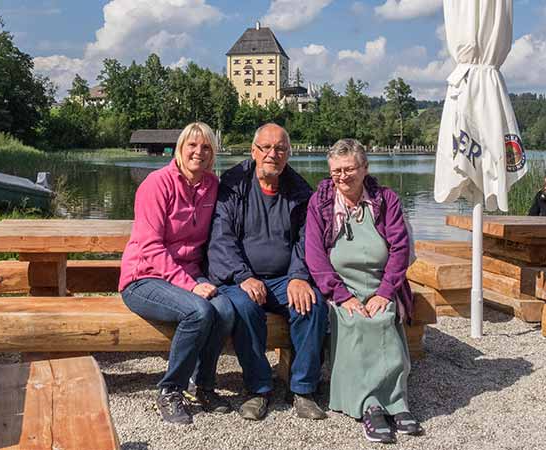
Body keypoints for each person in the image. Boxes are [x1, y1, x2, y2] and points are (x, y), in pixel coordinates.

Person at [207, 123, 329, 421]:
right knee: (245, 307)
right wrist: (243, 276)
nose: (272, 154)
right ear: (254, 151)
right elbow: (222, 238)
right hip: (239, 276)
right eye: (265, 147)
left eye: (280, 148)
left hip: (285, 277)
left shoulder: (300, 191)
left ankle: (302, 389)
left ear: (288, 153)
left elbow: (307, 240)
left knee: (312, 305)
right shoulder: (233, 183)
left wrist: (299, 275)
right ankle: (258, 389)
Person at [305, 139, 423, 444]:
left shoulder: (386, 200)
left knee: (383, 316)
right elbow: (315, 256)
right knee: (355, 320)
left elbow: (399, 248)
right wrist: (342, 296)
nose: (342, 177)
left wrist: (385, 292)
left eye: (349, 169)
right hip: (340, 287)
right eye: (336, 171)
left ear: (365, 168)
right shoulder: (320, 203)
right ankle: (369, 404)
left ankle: (397, 402)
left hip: (382, 283)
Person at [119, 122, 235, 424]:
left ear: (213, 153)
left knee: (224, 309)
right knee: (198, 312)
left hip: (188, 273)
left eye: (206, 147)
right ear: (180, 149)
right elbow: (150, 246)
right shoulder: (156, 184)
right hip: (143, 276)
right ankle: (170, 390)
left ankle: (204, 385)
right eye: (192, 145)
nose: (199, 152)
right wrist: (189, 285)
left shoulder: (212, 185)